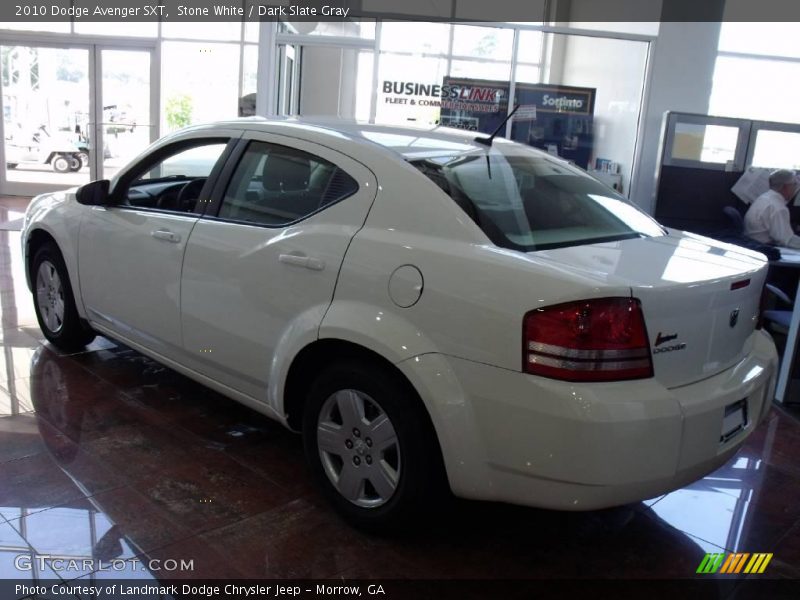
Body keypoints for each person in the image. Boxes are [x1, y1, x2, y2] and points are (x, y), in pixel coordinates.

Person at [744, 169, 800, 248]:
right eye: (795, 184)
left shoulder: (764, 197)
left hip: (753, 243)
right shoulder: (778, 207)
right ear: (785, 187)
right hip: (764, 248)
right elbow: (787, 240)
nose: (796, 188)